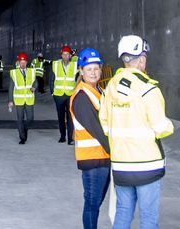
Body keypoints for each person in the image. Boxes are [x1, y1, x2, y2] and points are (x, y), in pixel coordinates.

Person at [100, 35, 174, 229]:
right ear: (141, 59)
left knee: (123, 211)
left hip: (121, 164)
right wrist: (170, 126)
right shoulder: (149, 90)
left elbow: (105, 125)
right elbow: (161, 127)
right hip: (147, 164)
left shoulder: (110, 89)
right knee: (148, 216)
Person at [70, 47, 110, 229]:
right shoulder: (82, 96)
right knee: (92, 204)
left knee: (95, 203)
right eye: (89, 69)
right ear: (81, 71)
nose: (93, 73)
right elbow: (97, 129)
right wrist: (117, 152)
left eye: (96, 68)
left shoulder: (98, 90)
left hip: (102, 157)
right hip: (93, 159)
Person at [52, 45, 79, 144]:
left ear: (70, 56)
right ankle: (62, 136)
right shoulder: (55, 64)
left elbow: (79, 77)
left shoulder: (75, 65)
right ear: (61, 55)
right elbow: (52, 79)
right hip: (58, 95)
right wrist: (52, 93)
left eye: (67, 55)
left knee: (70, 117)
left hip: (70, 95)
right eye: (64, 54)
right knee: (61, 117)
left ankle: (70, 139)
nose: (65, 57)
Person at [8, 53, 36, 144]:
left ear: (27, 62)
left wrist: (34, 87)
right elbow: (11, 88)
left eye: (24, 62)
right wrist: (10, 100)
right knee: (20, 119)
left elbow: (35, 82)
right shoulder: (14, 73)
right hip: (19, 100)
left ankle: (24, 128)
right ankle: (22, 138)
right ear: (18, 62)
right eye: (21, 62)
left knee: (30, 118)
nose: (23, 64)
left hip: (29, 99)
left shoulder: (32, 71)